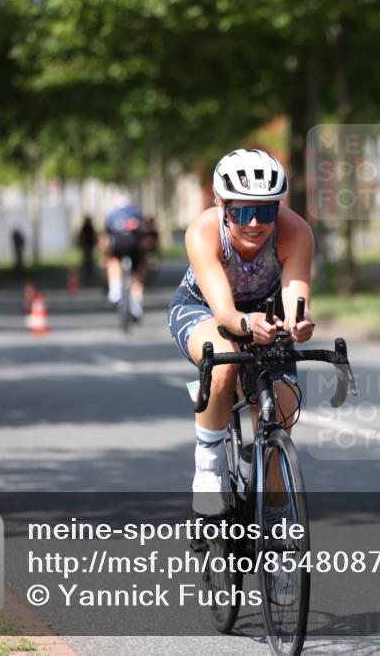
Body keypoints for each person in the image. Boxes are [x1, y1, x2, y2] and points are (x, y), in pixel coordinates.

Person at [168, 148, 315, 519]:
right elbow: (226, 312)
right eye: (241, 211)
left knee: (282, 406)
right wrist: (247, 325)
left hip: (267, 312)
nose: (253, 223)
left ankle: (269, 504)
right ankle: (208, 467)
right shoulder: (204, 231)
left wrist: (299, 322)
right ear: (222, 205)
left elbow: (296, 296)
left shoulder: (295, 230)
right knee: (223, 363)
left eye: (265, 211)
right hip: (203, 308)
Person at [102, 195, 146, 321]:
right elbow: (143, 235)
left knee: (112, 260)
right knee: (137, 275)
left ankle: (114, 292)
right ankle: (137, 306)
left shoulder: (111, 215)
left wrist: (104, 257)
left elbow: (106, 239)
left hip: (117, 247)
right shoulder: (137, 212)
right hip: (135, 248)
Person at [78, 215, 97, 280]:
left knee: (89, 259)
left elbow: (93, 236)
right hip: (87, 245)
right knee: (88, 259)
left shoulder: (88, 227)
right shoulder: (86, 227)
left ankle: (89, 272)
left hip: (88, 245)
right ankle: (88, 272)